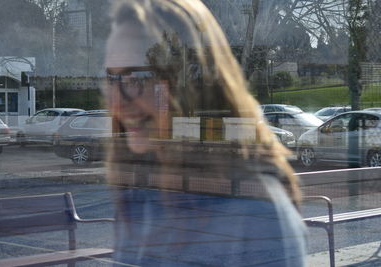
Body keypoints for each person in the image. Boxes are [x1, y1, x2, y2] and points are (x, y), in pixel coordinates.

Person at [104, 0, 307, 266]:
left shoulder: (257, 215)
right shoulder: (144, 194)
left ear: (189, 85)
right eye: (111, 79)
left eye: (138, 78)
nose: (117, 104)